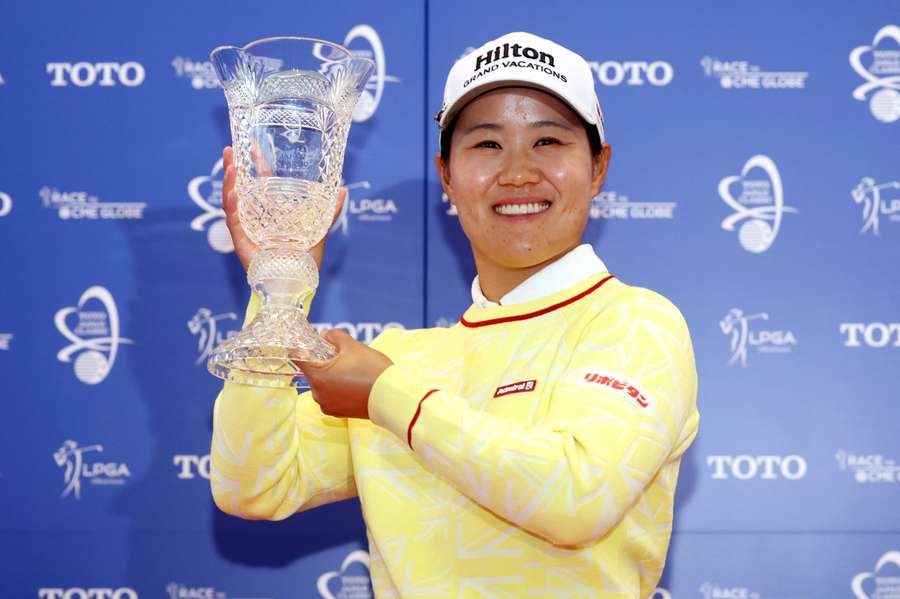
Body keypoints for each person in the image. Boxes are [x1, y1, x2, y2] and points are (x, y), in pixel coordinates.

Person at [210, 31, 699, 599]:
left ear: (597, 168)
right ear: (447, 175)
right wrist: (280, 283)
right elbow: (252, 485)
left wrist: (388, 396)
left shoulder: (638, 323)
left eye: (548, 142)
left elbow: (577, 498)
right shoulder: (402, 359)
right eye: (487, 145)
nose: (518, 172)